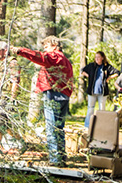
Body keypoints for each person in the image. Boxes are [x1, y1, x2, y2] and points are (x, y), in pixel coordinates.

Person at [11, 36, 74, 166]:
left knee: (51, 128)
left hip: (54, 94)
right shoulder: (64, 59)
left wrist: (20, 50)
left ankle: (55, 160)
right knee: (59, 128)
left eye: (46, 47)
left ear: (54, 46)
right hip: (62, 95)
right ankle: (61, 158)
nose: (45, 50)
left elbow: (40, 57)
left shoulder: (56, 56)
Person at [81, 51, 119, 128]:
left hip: (102, 92)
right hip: (92, 91)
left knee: (102, 109)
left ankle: (101, 126)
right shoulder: (92, 66)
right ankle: (87, 125)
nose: (97, 59)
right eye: (96, 57)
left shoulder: (106, 67)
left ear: (102, 58)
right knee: (90, 108)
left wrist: (109, 78)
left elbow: (117, 72)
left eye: (98, 57)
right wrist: (88, 75)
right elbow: (82, 71)